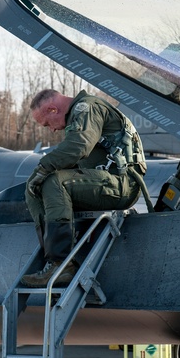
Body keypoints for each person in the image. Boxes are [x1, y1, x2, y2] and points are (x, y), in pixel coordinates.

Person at [21, 88, 145, 288]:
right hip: (105, 180)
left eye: (47, 124)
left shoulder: (88, 108)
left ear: (53, 109)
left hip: (121, 183)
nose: (51, 130)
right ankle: (53, 258)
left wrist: (43, 168)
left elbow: (79, 146)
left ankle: (61, 263)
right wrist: (38, 177)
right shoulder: (79, 114)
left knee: (54, 181)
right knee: (34, 188)